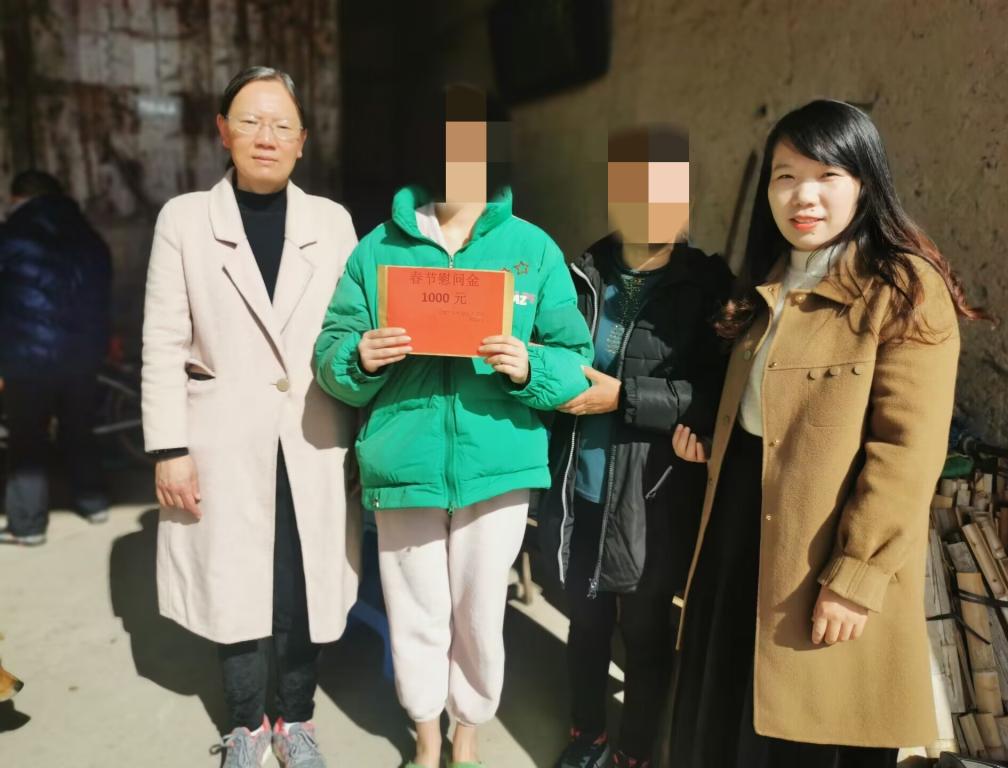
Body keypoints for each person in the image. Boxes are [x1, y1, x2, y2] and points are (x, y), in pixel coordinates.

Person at [668, 99, 983, 768]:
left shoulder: (902, 288)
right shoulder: (766, 284)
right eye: (785, 177)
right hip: (738, 534)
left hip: (823, 547)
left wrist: (855, 577)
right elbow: (759, 407)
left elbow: (908, 451)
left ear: (865, 183)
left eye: (827, 175)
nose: (802, 196)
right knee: (724, 723)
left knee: (805, 734)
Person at [314, 83, 594, 768]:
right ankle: (425, 737)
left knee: (478, 612)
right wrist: (360, 357)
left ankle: (466, 736)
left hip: (498, 464)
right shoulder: (378, 249)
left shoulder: (531, 249)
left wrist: (530, 366)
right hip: (404, 462)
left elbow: (574, 359)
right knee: (415, 612)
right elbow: (330, 353)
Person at [141, 66, 361, 768]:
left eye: (281, 125)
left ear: (302, 139)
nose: (266, 137)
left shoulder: (332, 222)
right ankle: (245, 724)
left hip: (313, 433)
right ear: (222, 132)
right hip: (220, 436)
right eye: (250, 121)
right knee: (232, 582)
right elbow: (163, 341)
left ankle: (296, 717)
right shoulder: (184, 219)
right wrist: (168, 448)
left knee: (303, 582)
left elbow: (354, 328)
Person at [538, 126, 731, 768]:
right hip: (580, 483)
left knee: (647, 629)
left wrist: (621, 397)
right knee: (585, 621)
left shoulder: (710, 288)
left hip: (655, 492)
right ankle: (588, 735)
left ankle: (636, 750)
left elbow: (717, 395)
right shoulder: (578, 276)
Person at [0, 170, 112, 546]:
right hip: (84, 353)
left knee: (27, 440)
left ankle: (28, 526)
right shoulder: (88, 235)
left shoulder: (11, 235)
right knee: (79, 428)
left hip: (28, 355)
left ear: (19, 198)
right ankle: (94, 502)